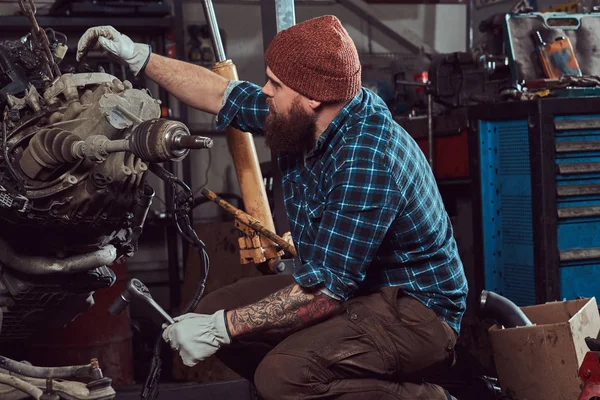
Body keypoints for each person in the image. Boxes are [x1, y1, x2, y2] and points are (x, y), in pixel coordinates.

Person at [78, 15, 468, 400]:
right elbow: (220, 94)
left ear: (313, 96)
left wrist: (221, 329)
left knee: (281, 375)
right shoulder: (305, 115)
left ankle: (423, 397)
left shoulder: (367, 157)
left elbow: (325, 292)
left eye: (275, 84)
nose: (264, 90)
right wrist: (138, 55)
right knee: (214, 308)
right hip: (354, 289)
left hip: (417, 312)